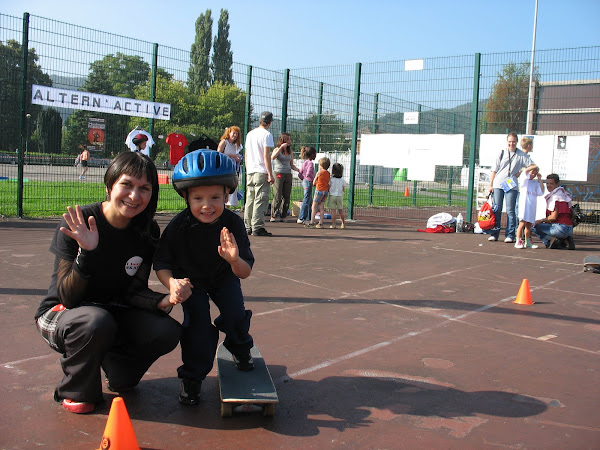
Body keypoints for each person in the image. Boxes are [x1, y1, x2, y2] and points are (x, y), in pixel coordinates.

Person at [34, 152, 182, 414]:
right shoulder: (78, 222)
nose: (134, 196)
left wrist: (164, 300)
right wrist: (87, 252)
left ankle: (118, 368)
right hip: (63, 314)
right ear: (110, 185)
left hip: (112, 311)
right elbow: (67, 297)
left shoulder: (146, 230)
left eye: (144, 188)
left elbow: (133, 290)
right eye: (126, 184)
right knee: (95, 322)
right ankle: (75, 388)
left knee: (166, 330)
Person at [154, 150, 255, 406]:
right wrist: (172, 284)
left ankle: (239, 346)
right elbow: (162, 264)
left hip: (223, 277)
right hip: (191, 283)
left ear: (226, 195)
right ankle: (192, 378)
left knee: (235, 315)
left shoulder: (233, 223)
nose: (207, 205)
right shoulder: (178, 227)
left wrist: (233, 259)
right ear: (185, 196)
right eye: (198, 198)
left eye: (215, 197)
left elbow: (245, 271)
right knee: (197, 326)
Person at [487, 132, 534, 243]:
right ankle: (495, 233)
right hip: (498, 184)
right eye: (509, 141)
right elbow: (494, 170)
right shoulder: (502, 153)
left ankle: (510, 234)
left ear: (517, 142)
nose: (511, 144)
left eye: (513, 141)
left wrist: (524, 171)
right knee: (497, 209)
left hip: (511, 185)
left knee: (510, 211)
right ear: (507, 142)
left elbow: (533, 165)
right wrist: (490, 184)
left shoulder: (521, 155)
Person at [244, 111, 275, 236]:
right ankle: (257, 226)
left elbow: (246, 154)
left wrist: (248, 169)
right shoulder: (267, 135)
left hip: (250, 170)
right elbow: (266, 155)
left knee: (250, 199)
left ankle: (247, 226)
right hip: (261, 171)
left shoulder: (250, 134)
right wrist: (270, 173)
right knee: (260, 199)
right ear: (270, 122)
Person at [532, 173, 575, 249]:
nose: (548, 186)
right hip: (569, 228)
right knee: (542, 225)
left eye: (551, 184)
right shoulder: (563, 194)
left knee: (533, 226)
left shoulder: (555, 197)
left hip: (560, 228)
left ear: (557, 184)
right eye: (547, 183)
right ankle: (563, 240)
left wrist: (540, 220)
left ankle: (551, 241)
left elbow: (553, 217)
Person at [270, 132, 299, 222]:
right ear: (283, 140)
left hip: (288, 174)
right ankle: (273, 215)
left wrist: (298, 170)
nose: (290, 141)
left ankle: (283, 215)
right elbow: (273, 157)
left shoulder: (290, 152)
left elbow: (291, 164)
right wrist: (281, 148)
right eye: (288, 139)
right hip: (278, 173)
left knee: (286, 195)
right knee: (277, 195)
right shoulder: (277, 149)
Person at [514, 165, 544, 249]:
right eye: (532, 172)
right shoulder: (524, 180)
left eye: (535, 173)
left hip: (532, 205)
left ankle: (528, 241)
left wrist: (539, 179)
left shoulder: (535, 183)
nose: (533, 174)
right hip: (524, 205)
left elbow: (541, 192)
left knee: (528, 225)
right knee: (522, 223)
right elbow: (525, 171)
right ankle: (518, 240)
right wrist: (534, 166)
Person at [217, 126, 243, 207]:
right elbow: (218, 153)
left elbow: (236, 155)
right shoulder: (224, 142)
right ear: (229, 133)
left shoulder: (236, 145)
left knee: (230, 187)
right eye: (234, 133)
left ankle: (227, 206)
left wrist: (238, 158)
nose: (235, 135)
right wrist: (232, 156)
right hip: (223, 168)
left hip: (233, 168)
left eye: (237, 134)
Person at [305, 157, 331, 229]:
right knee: (321, 207)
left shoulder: (319, 173)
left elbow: (313, 183)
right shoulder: (328, 173)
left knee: (313, 206)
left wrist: (316, 177)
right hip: (325, 191)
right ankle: (321, 222)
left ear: (321, 165)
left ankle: (312, 221)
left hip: (319, 190)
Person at [297, 146, 317, 225]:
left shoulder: (304, 162)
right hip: (308, 182)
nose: (315, 156)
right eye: (315, 154)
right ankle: (301, 218)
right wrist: (311, 179)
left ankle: (309, 218)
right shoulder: (310, 163)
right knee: (306, 200)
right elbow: (308, 173)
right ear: (312, 154)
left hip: (305, 181)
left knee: (309, 200)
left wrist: (303, 179)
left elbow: (299, 174)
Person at [328, 163, 347, 229]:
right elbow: (343, 188)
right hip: (339, 196)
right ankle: (343, 223)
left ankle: (333, 224)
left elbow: (329, 186)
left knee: (333, 211)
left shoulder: (331, 179)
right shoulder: (342, 180)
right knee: (340, 211)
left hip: (332, 195)